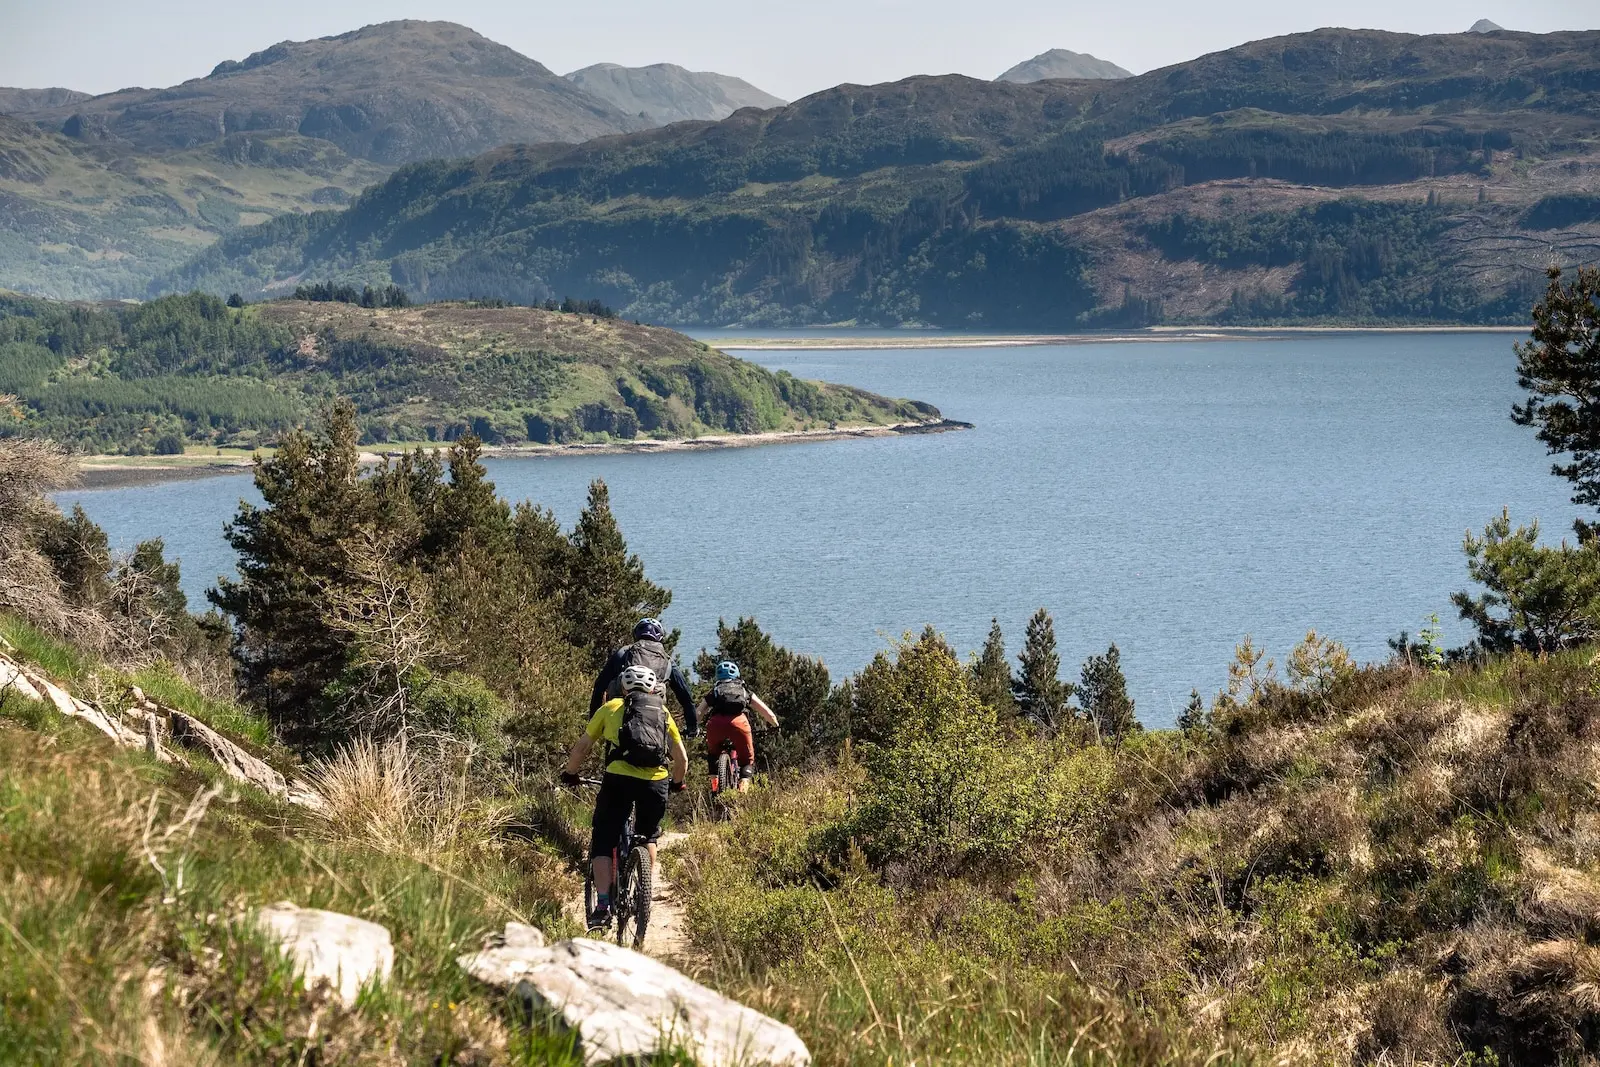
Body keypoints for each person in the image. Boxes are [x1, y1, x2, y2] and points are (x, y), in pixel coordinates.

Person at [561, 664, 688, 930]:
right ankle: (643, 892)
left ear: (623, 686)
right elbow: (682, 759)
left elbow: (583, 747)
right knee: (648, 835)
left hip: (618, 779)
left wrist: (570, 773)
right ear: (654, 688)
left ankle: (603, 905)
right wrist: (676, 783)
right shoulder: (662, 712)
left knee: (604, 839)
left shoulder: (610, 708)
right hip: (656, 782)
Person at [591, 618, 699, 739]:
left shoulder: (623, 653)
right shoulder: (668, 661)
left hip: (620, 710)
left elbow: (599, 686)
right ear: (660, 638)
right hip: (654, 712)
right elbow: (686, 697)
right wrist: (692, 728)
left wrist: (594, 720)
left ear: (636, 635)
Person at [696, 661, 779, 792]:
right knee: (746, 760)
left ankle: (715, 786)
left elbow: (699, 712)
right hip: (739, 724)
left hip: (716, 724)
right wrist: (775, 724)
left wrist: (691, 727)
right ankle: (743, 790)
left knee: (713, 755)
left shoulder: (715, 691)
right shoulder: (744, 691)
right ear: (737, 675)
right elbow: (766, 711)